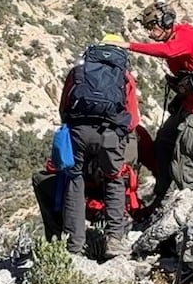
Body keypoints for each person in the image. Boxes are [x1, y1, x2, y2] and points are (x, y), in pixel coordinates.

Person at [109, 0, 193, 207]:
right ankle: (161, 195)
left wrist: (127, 45)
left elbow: (168, 51)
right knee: (163, 142)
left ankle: (191, 202)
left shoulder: (184, 38)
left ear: (166, 22)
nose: (150, 32)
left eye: (152, 27)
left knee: (184, 154)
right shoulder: (178, 35)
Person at [56, 34, 141, 258]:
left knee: (75, 181)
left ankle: (74, 245)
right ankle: (114, 240)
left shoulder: (78, 71)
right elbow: (133, 119)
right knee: (114, 180)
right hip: (110, 135)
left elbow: (64, 107)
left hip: (78, 131)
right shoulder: (124, 76)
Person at [31, 124, 157, 250]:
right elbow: (156, 166)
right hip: (123, 208)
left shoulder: (77, 130)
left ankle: (58, 242)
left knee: (40, 179)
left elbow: (56, 165)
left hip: (85, 206)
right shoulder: (134, 132)